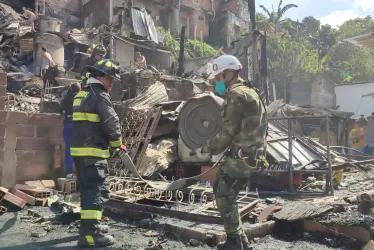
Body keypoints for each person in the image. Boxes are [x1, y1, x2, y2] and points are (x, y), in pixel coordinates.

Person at [195, 55, 267, 250]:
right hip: (252, 154)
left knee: (224, 194)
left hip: (243, 156)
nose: (217, 83)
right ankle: (239, 238)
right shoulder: (250, 90)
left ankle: (235, 242)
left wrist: (206, 149)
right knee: (222, 187)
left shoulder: (236, 94)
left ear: (229, 74)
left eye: (218, 78)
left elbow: (227, 132)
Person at [71, 59, 125, 248]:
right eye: (110, 79)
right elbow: (111, 121)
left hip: (79, 152)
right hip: (93, 152)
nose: (112, 83)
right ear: (101, 77)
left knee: (88, 191)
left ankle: (90, 227)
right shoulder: (99, 95)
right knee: (96, 191)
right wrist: (117, 143)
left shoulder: (83, 93)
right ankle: (90, 235)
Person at [59, 82, 81, 177]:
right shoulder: (80, 98)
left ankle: (69, 173)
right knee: (79, 150)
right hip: (78, 126)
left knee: (68, 150)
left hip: (67, 124)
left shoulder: (66, 98)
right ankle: (79, 173)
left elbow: (60, 108)